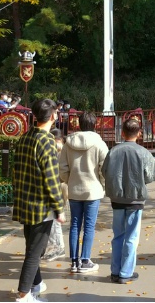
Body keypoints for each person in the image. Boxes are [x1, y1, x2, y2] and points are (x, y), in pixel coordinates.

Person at [12, 98, 66, 302]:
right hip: (41, 207)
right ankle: (23, 294)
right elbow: (51, 179)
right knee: (34, 253)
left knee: (33, 248)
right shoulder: (47, 141)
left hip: (25, 202)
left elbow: (15, 173)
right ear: (53, 116)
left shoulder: (25, 137)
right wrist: (59, 208)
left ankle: (36, 283)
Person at [101, 118, 155, 284]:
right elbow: (152, 173)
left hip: (117, 199)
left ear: (122, 133)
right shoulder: (143, 152)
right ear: (139, 133)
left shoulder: (113, 151)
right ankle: (126, 272)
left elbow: (105, 171)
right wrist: (140, 181)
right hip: (135, 199)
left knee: (118, 235)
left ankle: (115, 271)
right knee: (131, 237)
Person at [58, 111, 108, 274]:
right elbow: (104, 168)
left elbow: (63, 168)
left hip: (74, 189)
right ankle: (85, 260)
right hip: (93, 190)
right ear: (95, 125)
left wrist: (69, 180)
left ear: (78, 124)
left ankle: (74, 261)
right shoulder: (99, 143)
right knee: (89, 226)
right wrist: (102, 184)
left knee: (74, 225)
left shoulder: (68, 143)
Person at [42, 128, 68, 262]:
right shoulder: (62, 150)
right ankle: (57, 246)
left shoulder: (59, 150)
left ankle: (58, 247)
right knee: (54, 218)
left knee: (55, 219)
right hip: (59, 187)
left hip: (58, 187)